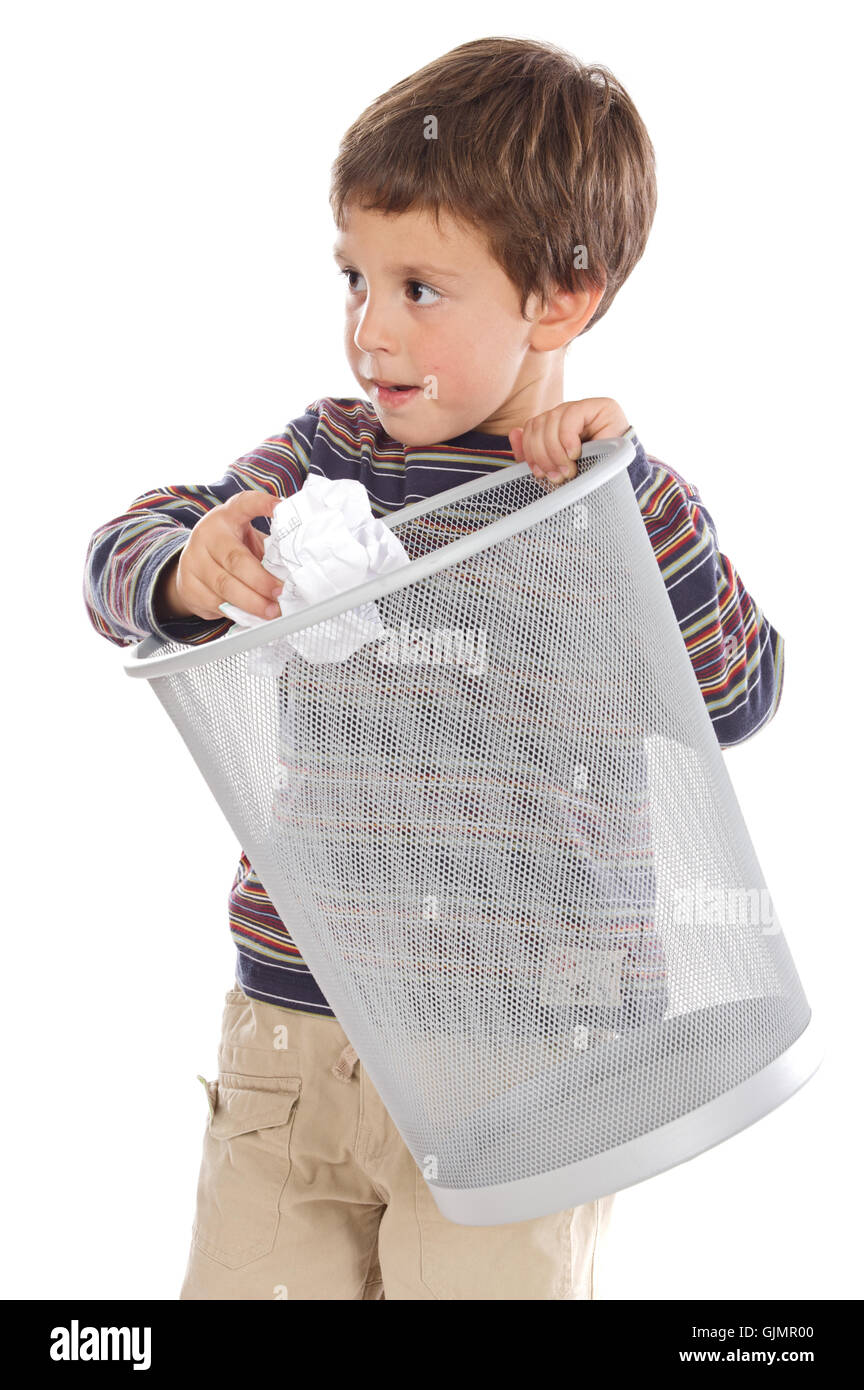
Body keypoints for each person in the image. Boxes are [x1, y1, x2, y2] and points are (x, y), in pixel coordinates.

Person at [82, 36, 785, 1301]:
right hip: (298, 1028)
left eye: (420, 288)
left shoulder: (605, 501)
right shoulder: (326, 464)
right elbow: (123, 547)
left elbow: (735, 693)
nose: (369, 330)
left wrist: (640, 495)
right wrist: (189, 566)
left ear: (560, 298)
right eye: (354, 276)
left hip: (529, 1050)